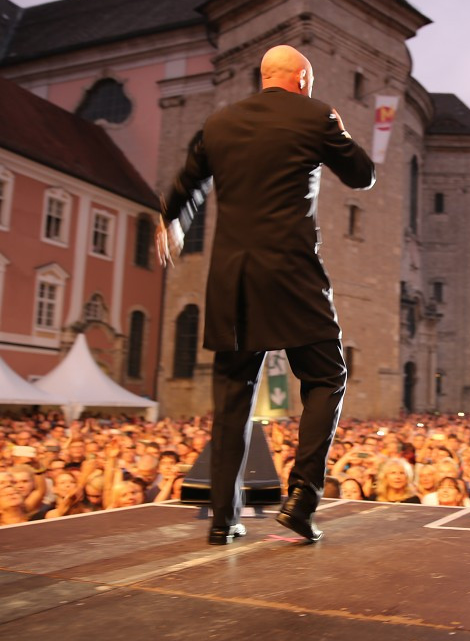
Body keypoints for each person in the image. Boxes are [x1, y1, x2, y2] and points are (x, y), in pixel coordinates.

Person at [156, 44, 375, 545]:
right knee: (325, 376)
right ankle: (301, 500)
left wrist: (171, 222)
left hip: (231, 278)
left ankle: (222, 519)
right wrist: (336, 127)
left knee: (233, 396)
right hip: (292, 272)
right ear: (302, 79)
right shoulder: (318, 115)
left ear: (264, 77)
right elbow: (362, 175)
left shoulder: (218, 123)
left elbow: (185, 187)